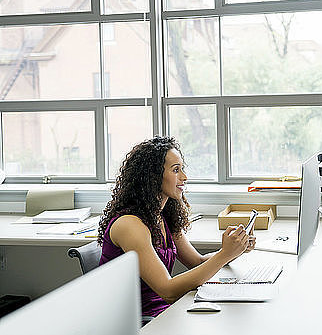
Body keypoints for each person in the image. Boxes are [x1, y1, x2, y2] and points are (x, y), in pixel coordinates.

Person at [98, 136, 256, 318]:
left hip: (162, 314)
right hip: (135, 324)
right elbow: (168, 290)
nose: (184, 177)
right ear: (153, 176)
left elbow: (197, 262)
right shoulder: (130, 225)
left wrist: (236, 249)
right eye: (176, 170)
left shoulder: (162, 216)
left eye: (182, 169)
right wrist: (224, 254)